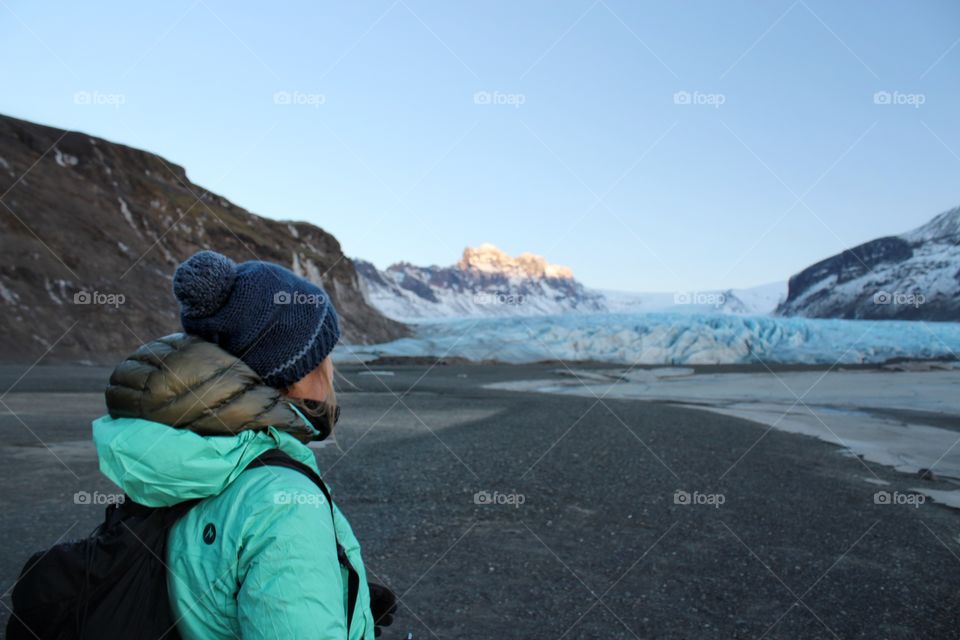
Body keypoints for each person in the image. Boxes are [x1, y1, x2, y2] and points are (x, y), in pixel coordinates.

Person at [92, 250, 395, 639]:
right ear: (297, 372)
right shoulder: (283, 502)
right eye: (324, 353)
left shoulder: (193, 457)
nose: (331, 368)